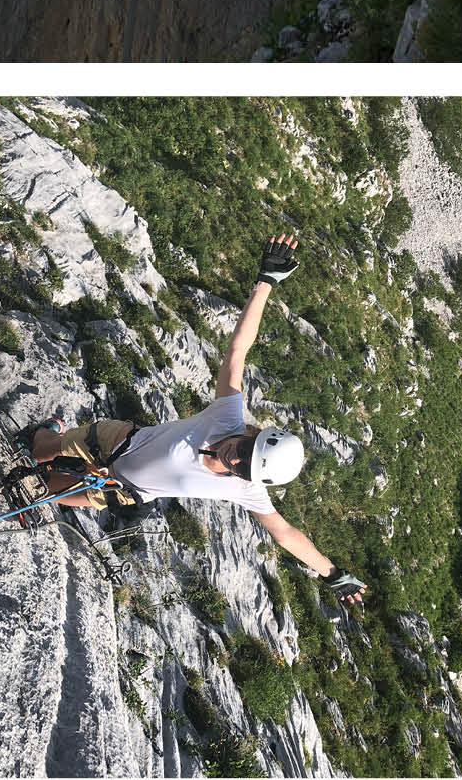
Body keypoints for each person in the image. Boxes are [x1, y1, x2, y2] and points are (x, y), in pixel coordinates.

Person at [26, 231, 367, 605]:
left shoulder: (247, 489)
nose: (234, 459)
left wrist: (332, 574)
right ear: (253, 434)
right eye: (245, 450)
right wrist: (266, 283)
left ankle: (46, 467)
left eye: (243, 467)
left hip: (117, 490)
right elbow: (239, 348)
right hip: (112, 441)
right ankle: (47, 435)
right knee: (39, 448)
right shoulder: (227, 416)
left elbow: (285, 533)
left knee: (40, 492)